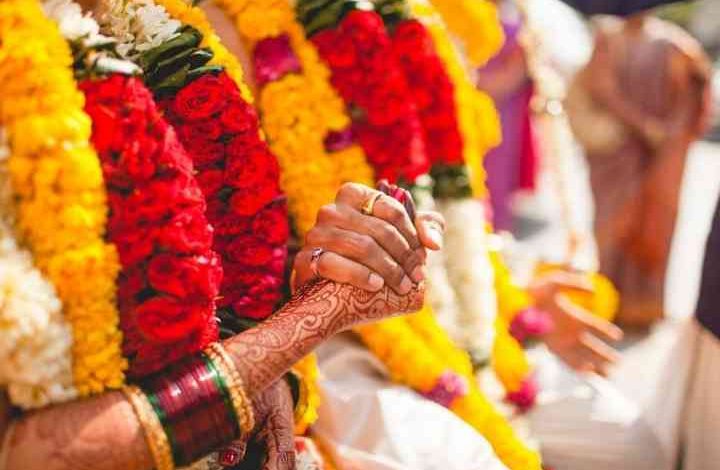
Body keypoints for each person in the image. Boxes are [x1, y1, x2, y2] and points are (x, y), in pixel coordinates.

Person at [566, 11, 712, 328]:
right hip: (617, 152)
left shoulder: (674, 42)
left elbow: (697, 85)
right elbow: (600, 87)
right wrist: (643, 125)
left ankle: (644, 305)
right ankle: (609, 301)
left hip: (657, 156)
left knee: (654, 220)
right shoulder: (609, 37)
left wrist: (668, 129)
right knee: (612, 223)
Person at [476, 0, 539, 232]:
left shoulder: (519, 15)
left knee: (497, 179)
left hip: (503, 111)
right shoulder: (463, 10)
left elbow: (518, 71)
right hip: (471, 102)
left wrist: (479, 86)